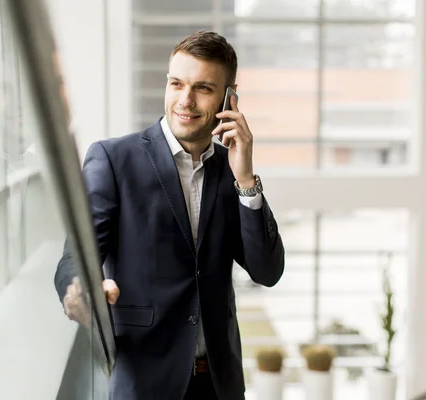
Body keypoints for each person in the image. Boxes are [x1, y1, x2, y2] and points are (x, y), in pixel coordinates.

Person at [54, 30, 285, 400]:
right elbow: (76, 256)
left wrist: (246, 179)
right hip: (145, 383)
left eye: (203, 88)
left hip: (218, 385)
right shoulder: (113, 160)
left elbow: (267, 271)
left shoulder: (232, 171)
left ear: (230, 96)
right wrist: (79, 289)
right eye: (176, 83)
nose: (185, 100)